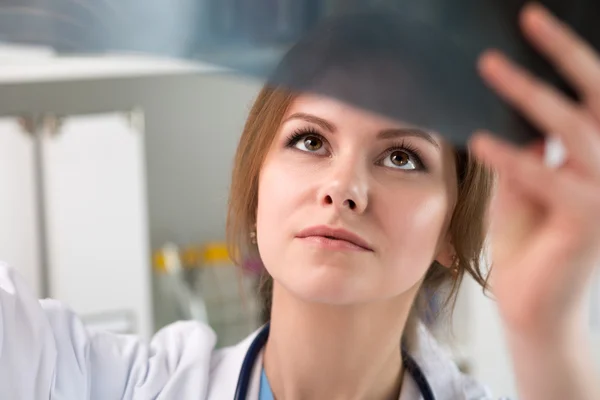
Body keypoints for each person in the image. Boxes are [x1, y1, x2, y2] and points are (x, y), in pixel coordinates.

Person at [0, 4, 599, 399]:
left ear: (450, 228)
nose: (343, 188)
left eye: (401, 157)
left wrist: (544, 330)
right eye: (310, 141)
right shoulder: (115, 384)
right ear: (257, 190)